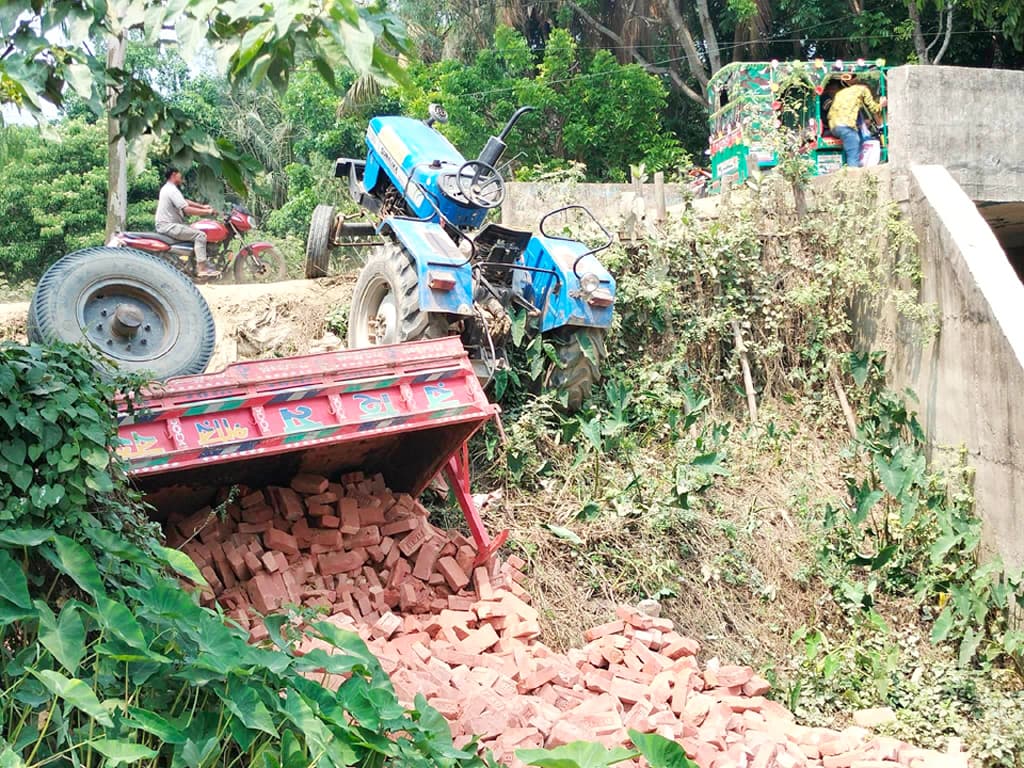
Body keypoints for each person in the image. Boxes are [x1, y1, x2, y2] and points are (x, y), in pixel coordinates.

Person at [155, 168, 219, 277]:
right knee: (200, 235)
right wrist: (207, 211)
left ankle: (195, 263)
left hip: (167, 225)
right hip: (169, 226)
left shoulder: (168, 188)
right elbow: (186, 209)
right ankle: (202, 268)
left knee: (193, 231)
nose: (182, 177)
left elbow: (185, 201)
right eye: (180, 174)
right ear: (174, 174)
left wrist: (202, 206)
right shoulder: (172, 190)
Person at [827, 73, 886, 168]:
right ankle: (853, 176)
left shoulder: (840, 93)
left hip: (834, 127)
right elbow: (873, 109)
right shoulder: (862, 89)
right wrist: (881, 105)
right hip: (846, 126)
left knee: (852, 141)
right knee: (853, 153)